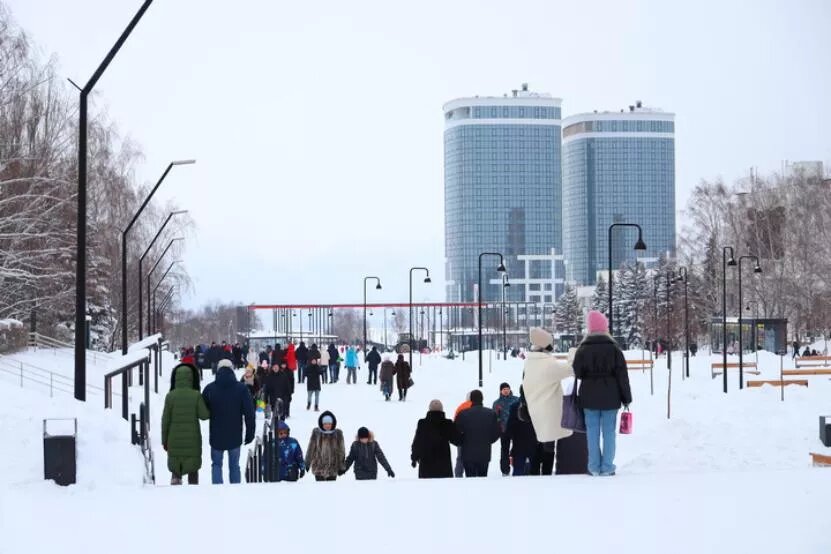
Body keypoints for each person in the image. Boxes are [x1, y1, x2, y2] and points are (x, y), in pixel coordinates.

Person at [573, 310, 632, 477]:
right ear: (605, 328)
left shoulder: (583, 349)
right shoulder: (614, 349)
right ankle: (607, 467)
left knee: (592, 432)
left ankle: (593, 467)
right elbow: (622, 376)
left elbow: (576, 372)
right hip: (610, 397)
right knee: (608, 432)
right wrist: (626, 397)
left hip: (589, 397)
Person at [202, 359, 256, 484]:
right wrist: (250, 433)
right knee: (234, 465)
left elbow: (202, 410)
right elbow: (249, 413)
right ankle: (235, 491)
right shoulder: (241, 389)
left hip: (216, 435)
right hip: (235, 435)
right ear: (232, 370)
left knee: (216, 465)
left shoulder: (210, 389)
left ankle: (217, 491)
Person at [522, 327, 574, 456]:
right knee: (556, 442)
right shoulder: (548, 364)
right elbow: (572, 369)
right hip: (551, 411)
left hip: (536, 409)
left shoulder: (530, 363)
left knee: (546, 444)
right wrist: (573, 352)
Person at [162, 362, 210, 485]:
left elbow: (165, 420)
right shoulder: (195, 395)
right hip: (192, 439)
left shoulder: (170, 396)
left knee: (176, 464)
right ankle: (193, 491)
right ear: (191, 378)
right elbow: (204, 416)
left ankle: (176, 483)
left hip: (174, 438)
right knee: (193, 467)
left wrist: (164, 440)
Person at [455, 389, 501, 477]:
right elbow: (497, 431)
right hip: (484, 453)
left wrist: (462, 442)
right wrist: (488, 440)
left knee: (470, 480)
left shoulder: (463, 414)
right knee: (482, 479)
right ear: (482, 399)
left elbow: (456, 432)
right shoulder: (491, 414)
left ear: (471, 400)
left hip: (467, 453)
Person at [411, 400, 461, 479]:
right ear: (442, 409)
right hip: (444, 464)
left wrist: (414, 457)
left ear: (429, 409)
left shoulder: (423, 424)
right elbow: (457, 440)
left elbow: (418, 442)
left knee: (427, 489)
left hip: (426, 464)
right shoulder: (447, 423)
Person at [305, 411, 346, 481]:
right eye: (325, 424)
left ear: (332, 424)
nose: (327, 425)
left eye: (329, 423)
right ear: (322, 424)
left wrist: (341, 466)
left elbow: (341, 451)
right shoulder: (316, 433)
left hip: (333, 467)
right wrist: (307, 463)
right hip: (319, 467)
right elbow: (311, 448)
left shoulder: (338, 434)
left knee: (331, 490)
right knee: (320, 490)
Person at [492, 382, 519, 476]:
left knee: (517, 449)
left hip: (516, 429)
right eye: (504, 389)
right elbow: (494, 417)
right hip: (504, 430)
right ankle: (505, 470)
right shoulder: (497, 403)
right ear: (500, 391)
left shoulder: (516, 400)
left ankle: (518, 467)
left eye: (507, 389)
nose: (506, 391)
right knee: (504, 450)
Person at [453, 393, 473, 477]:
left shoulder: (460, 407)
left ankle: (458, 475)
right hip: (473, 436)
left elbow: (455, 422)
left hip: (461, 435)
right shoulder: (477, 406)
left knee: (460, 457)